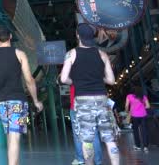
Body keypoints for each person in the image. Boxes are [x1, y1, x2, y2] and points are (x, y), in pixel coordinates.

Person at [0, 25, 43, 165]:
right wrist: (35, 100)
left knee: (10, 135)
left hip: (0, 102)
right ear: (10, 37)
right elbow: (29, 79)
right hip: (17, 101)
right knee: (15, 136)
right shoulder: (19, 54)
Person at [60, 23, 119, 165]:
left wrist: (76, 81)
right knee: (110, 140)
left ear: (78, 35)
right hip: (102, 99)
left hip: (83, 100)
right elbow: (111, 80)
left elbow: (63, 78)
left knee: (87, 141)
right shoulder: (102, 54)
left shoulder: (71, 54)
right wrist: (99, 78)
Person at [69, 85, 102, 165]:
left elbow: (61, 79)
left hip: (76, 105)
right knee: (94, 135)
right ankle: (98, 161)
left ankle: (80, 159)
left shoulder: (72, 72)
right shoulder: (95, 71)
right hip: (92, 103)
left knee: (78, 135)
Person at [125, 86, 150, 152]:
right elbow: (148, 106)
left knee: (135, 131)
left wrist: (127, 111)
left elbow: (127, 106)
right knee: (144, 131)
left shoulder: (129, 96)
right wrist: (141, 107)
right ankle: (145, 147)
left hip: (134, 116)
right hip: (143, 115)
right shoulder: (143, 96)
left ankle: (138, 146)